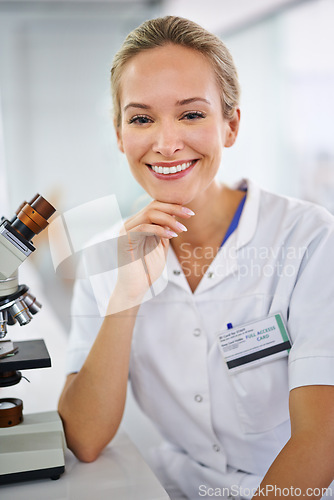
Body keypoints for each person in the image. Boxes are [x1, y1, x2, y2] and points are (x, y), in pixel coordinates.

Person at [58, 16, 334, 500]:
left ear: (230, 125)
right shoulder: (106, 257)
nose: (166, 143)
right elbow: (84, 437)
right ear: (120, 134)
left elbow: (322, 437)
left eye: (191, 114)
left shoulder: (310, 239)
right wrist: (125, 297)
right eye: (141, 118)